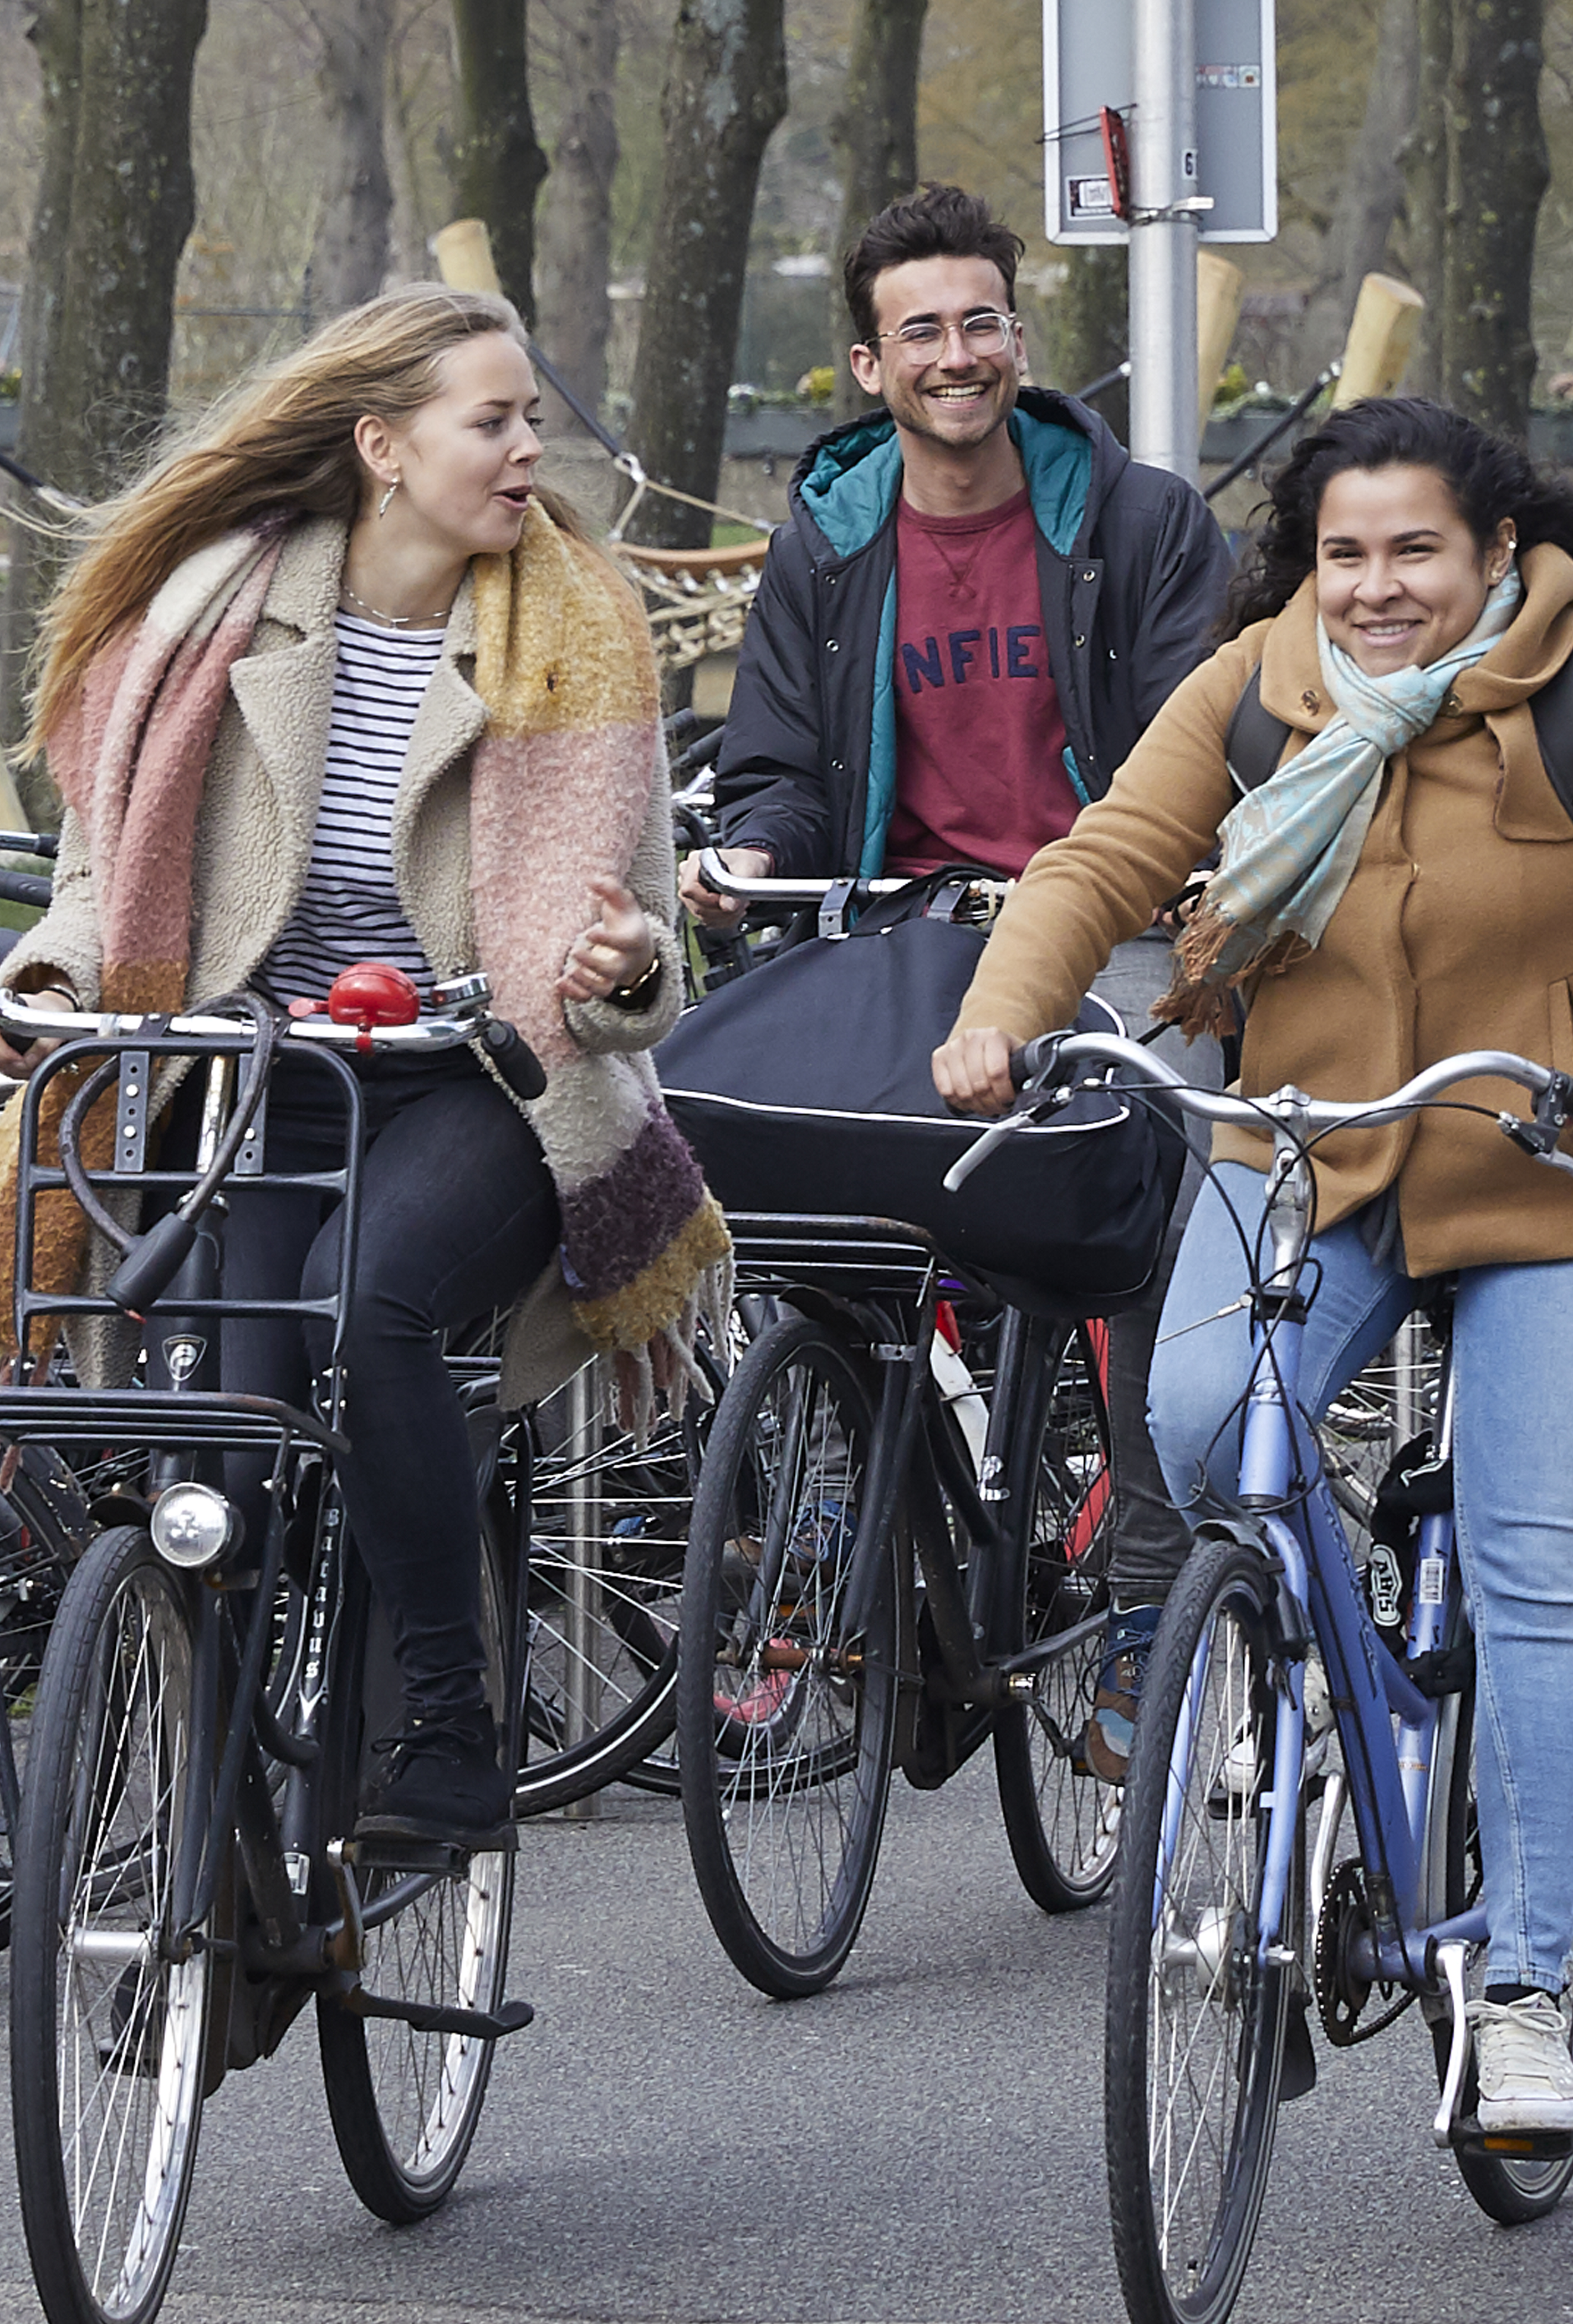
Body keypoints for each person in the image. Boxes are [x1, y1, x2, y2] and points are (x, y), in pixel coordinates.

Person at [931, 398, 1573, 2133]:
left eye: (1416, 551)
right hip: (1311, 1149)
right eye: (1346, 553)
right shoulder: (1261, 683)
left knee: (1543, 1566)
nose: (1379, 586)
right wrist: (999, 1015)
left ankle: (1530, 1987)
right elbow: (1108, 858)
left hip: (1569, 1166)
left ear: (1492, 552)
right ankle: (1350, 1680)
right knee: (1190, 1417)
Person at [0, 284, 729, 1847]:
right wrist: (51, 978)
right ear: (383, 446)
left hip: (487, 1089)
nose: (532, 445)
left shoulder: (574, 628)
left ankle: (456, 1731)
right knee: (219, 1460)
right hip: (259, 1086)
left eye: (533, 415)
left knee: (364, 1302)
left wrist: (616, 972)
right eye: (495, 418)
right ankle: (222, 1831)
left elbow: (649, 954)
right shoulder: (210, 612)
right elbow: (102, 878)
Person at [690, 182, 1231, 1782]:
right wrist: (747, 851)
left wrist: (1145, 884)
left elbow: (1194, 757)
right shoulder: (831, 540)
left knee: (1149, 1249)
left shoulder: (1136, 523)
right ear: (867, 364)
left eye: (979, 321)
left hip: (1114, 927)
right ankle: (847, 1553)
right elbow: (780, 764)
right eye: (919, 330)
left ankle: (1142, 1617)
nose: (955, 354)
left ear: (1018, 335)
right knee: (802, 1201)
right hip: (906, 934)